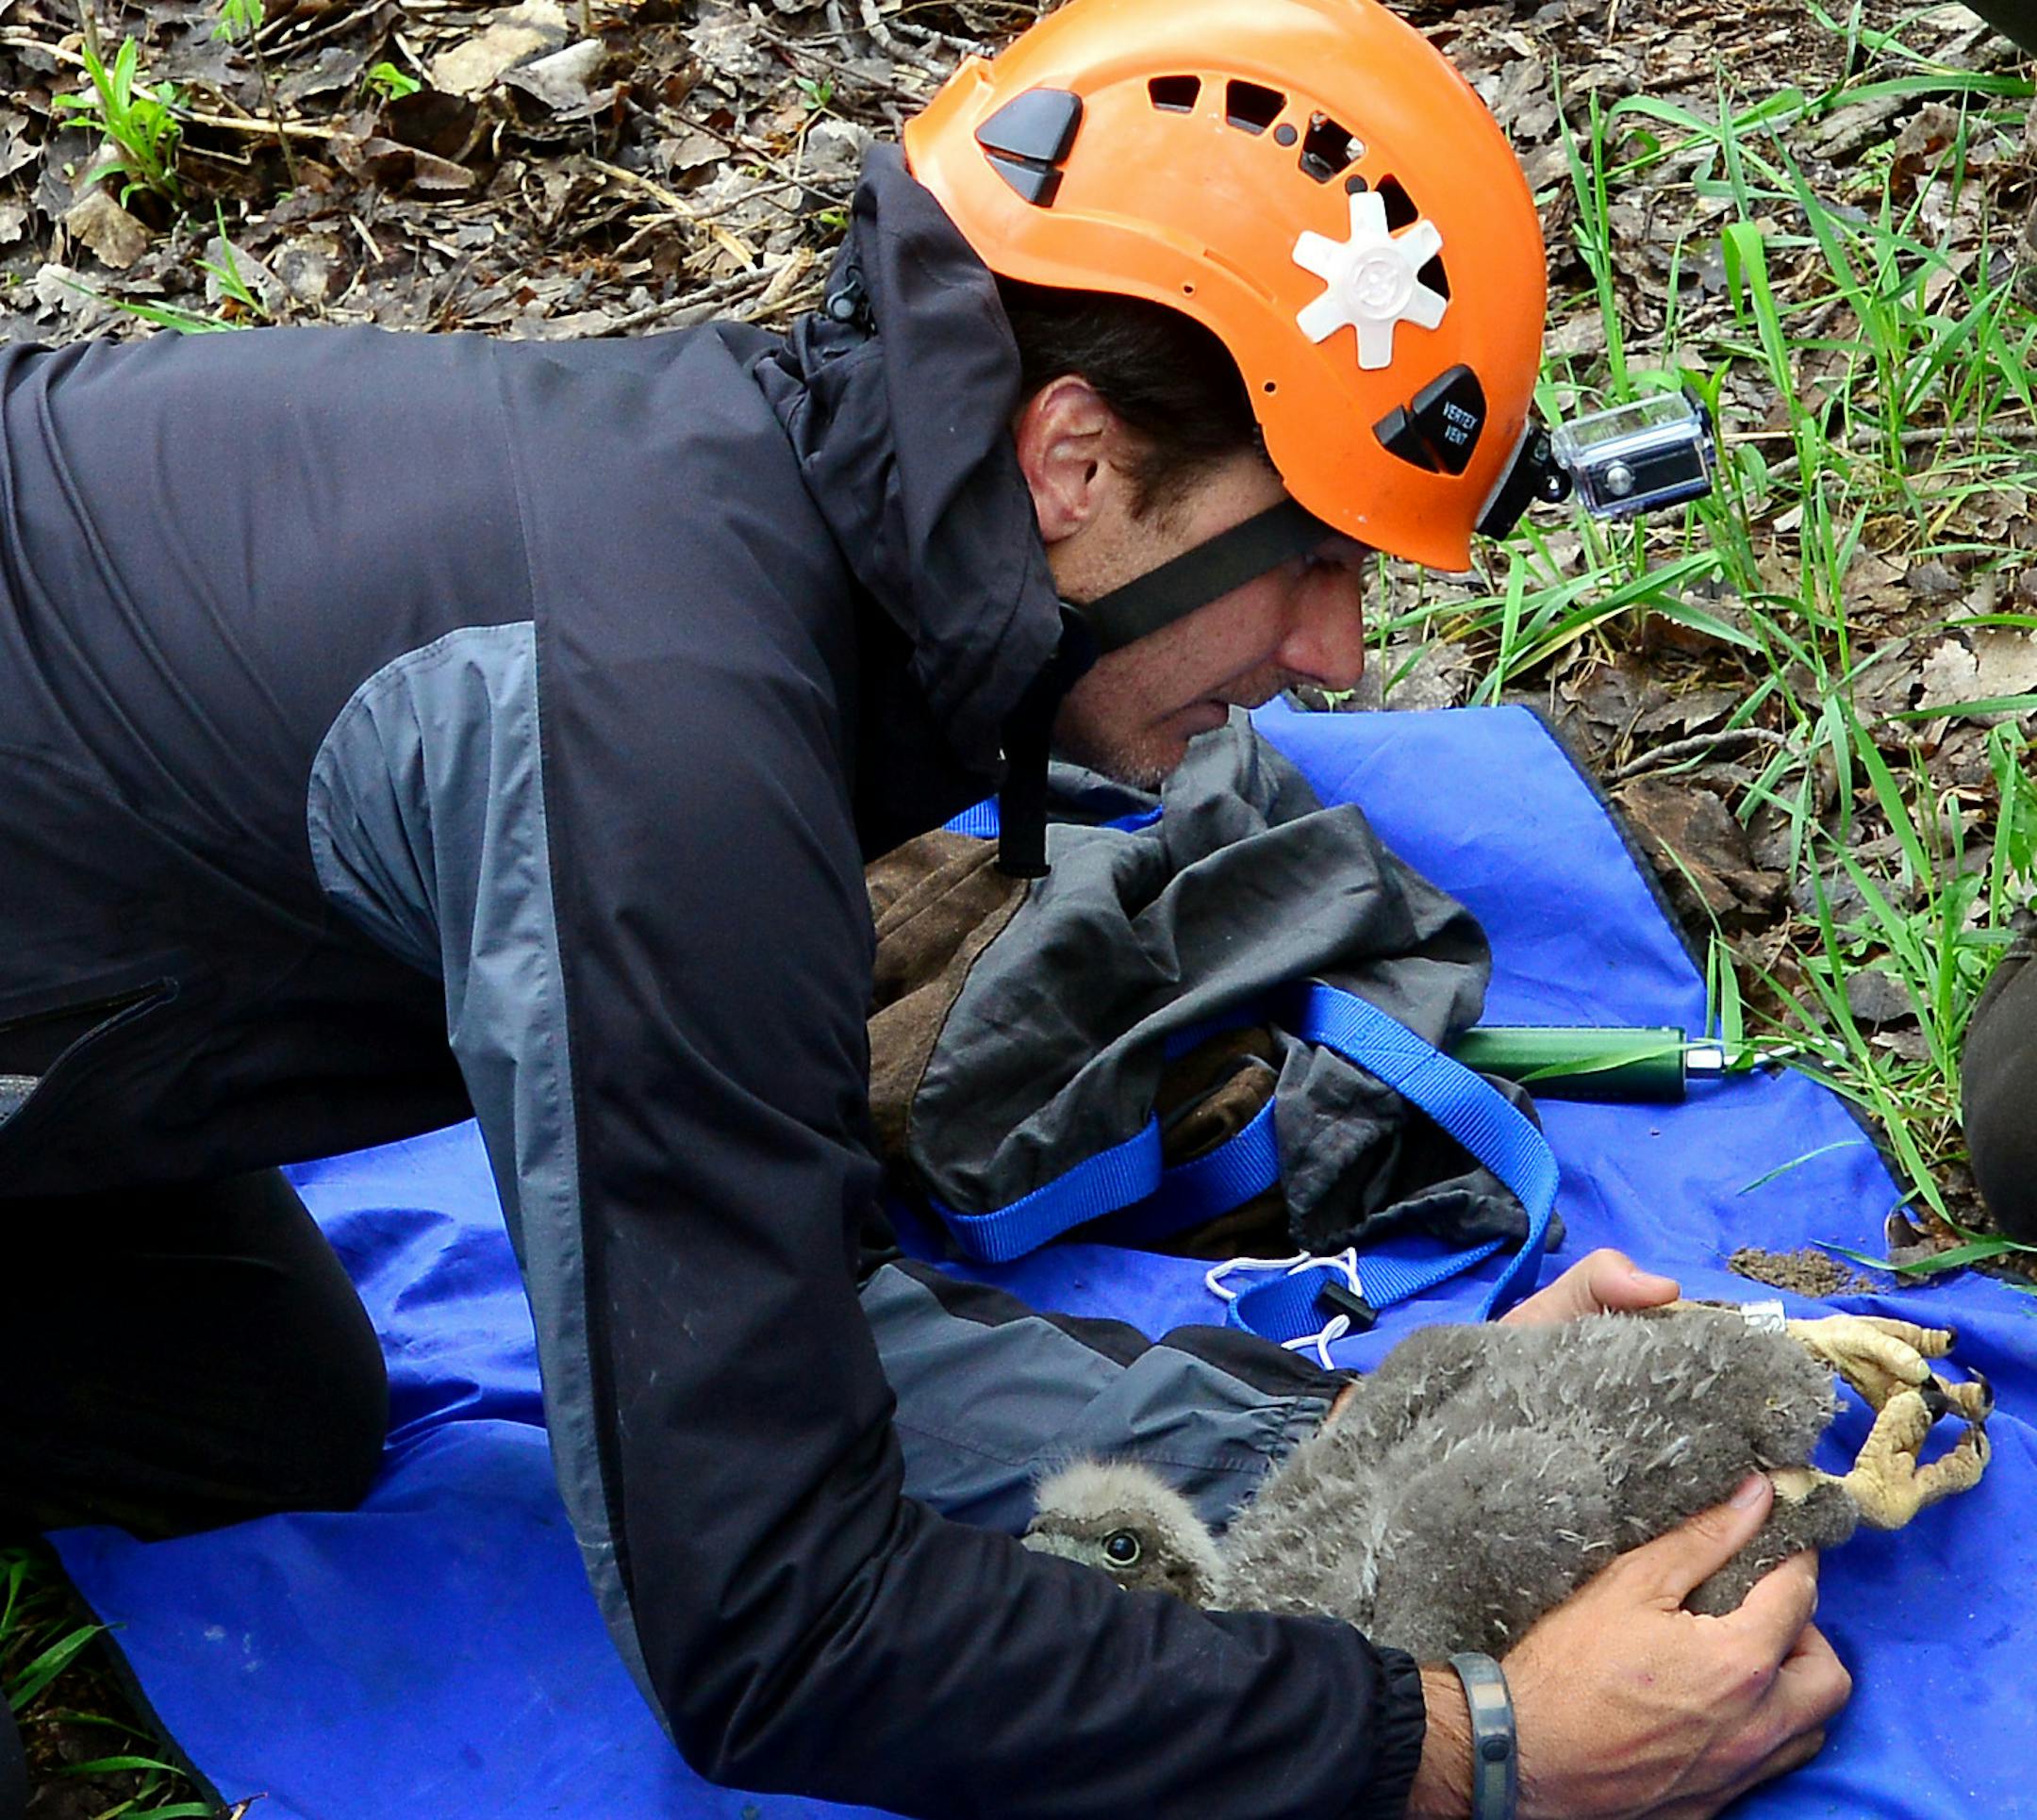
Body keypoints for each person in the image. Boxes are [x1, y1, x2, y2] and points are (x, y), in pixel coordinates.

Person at [0, 0, 1850, 1813]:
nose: (1333, 653)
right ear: (1076, 461)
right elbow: (779, 1627)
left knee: (259, 1416)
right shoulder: (661, 740)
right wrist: (1466, 1746)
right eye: (1308, 560)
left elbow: (789, 1318)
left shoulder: (799, 537)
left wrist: (1353, 1441)